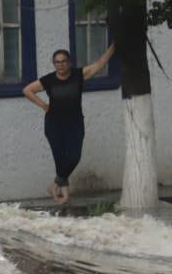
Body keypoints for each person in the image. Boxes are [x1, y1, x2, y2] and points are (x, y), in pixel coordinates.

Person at [23, 44, 115, 205]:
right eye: (57, 62)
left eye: (63, 61)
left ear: (69, 63)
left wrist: (115, 45)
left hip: (75, 123)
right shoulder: (49, 80)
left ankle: (55, 185)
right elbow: (27, 90)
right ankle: (64, 195)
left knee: (74, 157)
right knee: (60, 159)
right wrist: (44, 105)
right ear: (54, 64)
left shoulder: (78, 75)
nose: (60, 65)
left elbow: (100, 63)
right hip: (54, 125)